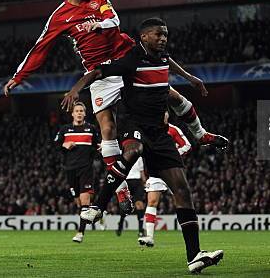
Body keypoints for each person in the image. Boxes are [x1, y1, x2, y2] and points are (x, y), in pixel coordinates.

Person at [3, 0, 225, 212]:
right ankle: (121, 191)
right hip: (99, 73)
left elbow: (114, 20)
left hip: (125, 61)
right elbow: (40, 47)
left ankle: (200, 134)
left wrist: (99, 25)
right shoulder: (60, 16)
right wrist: (19, 76)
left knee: (171, 96)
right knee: (107, 129)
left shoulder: (99, 0)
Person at [62, 17, 224, 273]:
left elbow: (169, 63)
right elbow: (97, 72)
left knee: (182, 189)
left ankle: (194, 256)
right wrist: (75, 90)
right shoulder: (132, 59)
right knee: (133, 150)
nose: (163, 38)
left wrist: (191, 77)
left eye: (166, 35)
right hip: (133, 122)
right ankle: (99, 206)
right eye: (158, 34)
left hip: (159, 133)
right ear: (144, 37)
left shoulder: (161, 58)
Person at [139, 122, 192, 248]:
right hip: (156, 172)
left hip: (172, 170)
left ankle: (189, 232)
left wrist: (171, 156)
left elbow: (187, 145)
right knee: (151, 201)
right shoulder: (149, 129)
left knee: (181, 201)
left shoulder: (173, 130)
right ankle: (150, 237)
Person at [54, 101, 101, 243]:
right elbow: (55, 144)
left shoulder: (91, 129)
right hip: (70, 170)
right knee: (78, 203)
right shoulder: (65, 130)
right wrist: (64, 144)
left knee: (84, 200)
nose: (79, 113)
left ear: (85, 113)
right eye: (77, 111)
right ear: (73, 113)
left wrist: (101, 148)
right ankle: (96, 213)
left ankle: (80, 233)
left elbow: (98, 145)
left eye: (82, 110)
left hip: (86, 169)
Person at [116, 157, 146, 237]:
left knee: (139, 204)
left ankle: (140, 230)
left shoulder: (139, 157)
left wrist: (145, 182)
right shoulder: (123, 155)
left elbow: (141, 171)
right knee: (125, 206)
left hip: (137, 182)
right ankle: (120, 225)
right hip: (126, 181)